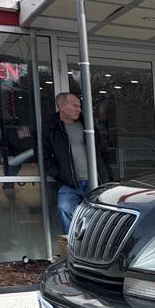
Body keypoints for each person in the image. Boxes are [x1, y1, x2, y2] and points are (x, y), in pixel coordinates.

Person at [43, 93, 111, 233]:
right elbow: (44, 157)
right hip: (69, 183)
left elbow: (103, 151)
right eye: (75, 106)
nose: (79, 109)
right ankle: (72, 243)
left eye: (79, 106)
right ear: (61, 106)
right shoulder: (51, 128)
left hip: (94, 180)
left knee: (100, 215)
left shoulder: (87, 124)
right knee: (64, 209)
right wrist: (60, 174)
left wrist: (107, 175)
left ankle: (95, 243)